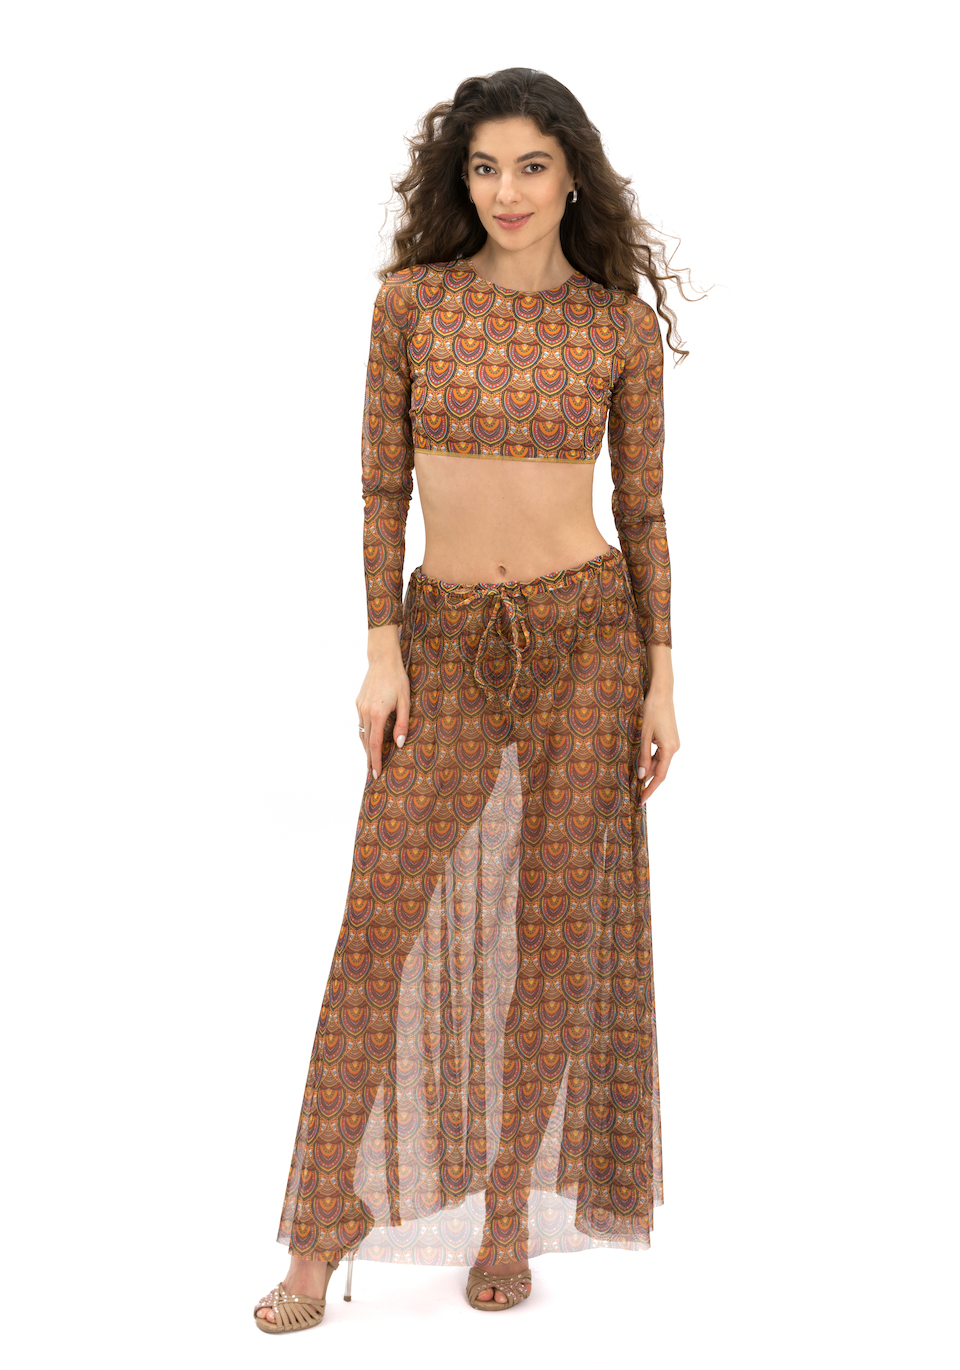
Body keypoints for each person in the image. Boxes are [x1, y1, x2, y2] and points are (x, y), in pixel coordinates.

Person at [254, 66, 693, 1333]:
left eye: (532, 167)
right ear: (463, 181)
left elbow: (645, 511)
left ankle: (508, 1215)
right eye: (486, 168)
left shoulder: (617, 329)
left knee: (552, 931)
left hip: (588, 639)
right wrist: (381, 646)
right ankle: (319, 1226)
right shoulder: (413, 302)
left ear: (572, 179)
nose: (507, 191)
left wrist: (662, 675)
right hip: (443, 638)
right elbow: (379, 484)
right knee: (375, 927)